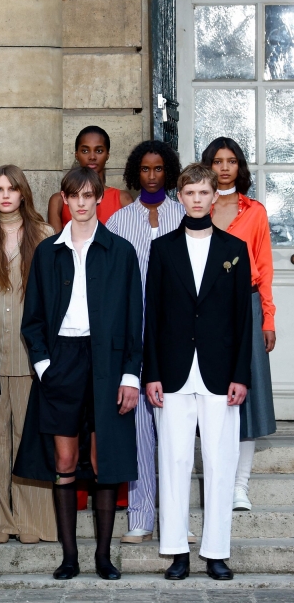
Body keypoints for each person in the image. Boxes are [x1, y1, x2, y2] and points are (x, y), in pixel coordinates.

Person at [14, 166, 143, 581]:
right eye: (75, 196)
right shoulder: (49, 252)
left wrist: (130, 375)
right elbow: (31, 319)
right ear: (65, 201)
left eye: (90, 196)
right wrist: (44, 366)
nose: (82, 203)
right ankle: (70, 557)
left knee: (102, 458)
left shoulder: (121, 252)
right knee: (65, 459)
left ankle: (102, 557)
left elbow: (133, 319)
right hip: (62, 360)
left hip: (107, 359)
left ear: (99, 199)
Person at [143, 162, 251, 581]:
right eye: (190, 193)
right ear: (180, 197)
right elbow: (152, 316)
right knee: (173, 460)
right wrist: (151, 371)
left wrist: (240, 374)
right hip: (171, 372)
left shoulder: (234, 250)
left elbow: (243, 317)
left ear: (214, 196)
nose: (197, 200)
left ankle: (217, 551)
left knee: (220, 461)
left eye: (204, 193)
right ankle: (176, 551)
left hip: (221, 373)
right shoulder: (163, 248)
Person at [0, 165, 56, 545]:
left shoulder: (46, 235)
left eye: (12, 188)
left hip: (30, 355)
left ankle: (33, 521)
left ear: (23, 193)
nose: (5, 195)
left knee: (29, 439)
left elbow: (55, 296)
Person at [105, 141, 184, 545]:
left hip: (174, 336)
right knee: (137, 427)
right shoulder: (119, 221)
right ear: (136, 172)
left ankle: (174, 518)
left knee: (172, 428)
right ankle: (140, 516)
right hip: (133, 334)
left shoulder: (184, 215)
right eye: (145, 169)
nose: (152, 175)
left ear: (168, 172)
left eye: (159, 169)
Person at [201, 137, 277, 511]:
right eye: (217, 161)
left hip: (247, 307)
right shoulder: (198, 205)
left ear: (239, 166)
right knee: (208, 394)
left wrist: (268, 317)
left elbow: (264, 269)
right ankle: (210, 481)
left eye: (231, 161)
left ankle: (239, 486)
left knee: (247, 397)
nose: (224, 167)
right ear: (207, 166)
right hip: (205, 308)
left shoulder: (255, 211)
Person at [47, 126, 133, 230]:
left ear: (107, 155)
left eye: (99, 151)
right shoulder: (59, 200)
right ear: (76, 154)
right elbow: (56, 243)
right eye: (85, 151)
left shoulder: (122, 199)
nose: (92, 157)